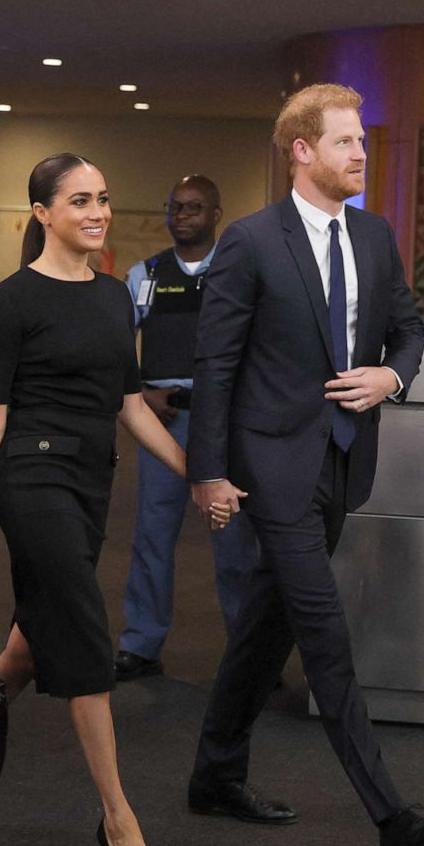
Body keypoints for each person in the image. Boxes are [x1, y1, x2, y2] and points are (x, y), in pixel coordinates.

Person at [0, 153, 230, 846]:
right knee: (87, 637)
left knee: (26, 650)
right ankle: (117, 819)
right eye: (80, 200)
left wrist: (193, 472)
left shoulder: (117, 298)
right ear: (42, 214)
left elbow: (127, 406)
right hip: (32, 478)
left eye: (104, 199)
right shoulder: (9, 302)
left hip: (89, 482)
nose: (97, 212)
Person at [186, 84, 424, 846]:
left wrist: (389, 379)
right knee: (324, 632)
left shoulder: (373, 236)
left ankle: (213, 774)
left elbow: (407, 328)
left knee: (266, 627)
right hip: (271, 467)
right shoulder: (249, 241)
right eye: (344, 142)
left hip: (343, 463)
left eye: (362, 143)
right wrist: (207, 472)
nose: (360, 155)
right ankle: (389, 814)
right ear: (301, 151)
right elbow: (215, 364)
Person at [115, 175, 259, 682]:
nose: (182, 216)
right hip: (165, 422)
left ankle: (247, 653)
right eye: (174, 207)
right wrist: (142, 393)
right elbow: (112, 351)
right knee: (152, 534)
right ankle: (141, 643)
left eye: (194, 208)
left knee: (235, 541)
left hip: (224, 426)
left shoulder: (240, 272)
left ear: (216, 214)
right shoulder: (145, 275)